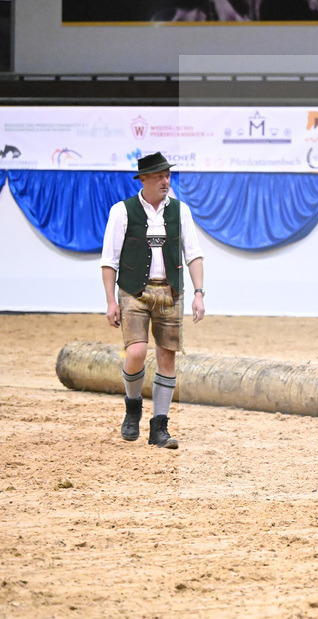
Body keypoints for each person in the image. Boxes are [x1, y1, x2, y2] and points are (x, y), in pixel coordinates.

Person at [100, 152, 206, 449]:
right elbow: (109, 261)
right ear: (143, 179)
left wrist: (199, 293)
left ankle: (159, 426)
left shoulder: (180, 211)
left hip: (171, 291)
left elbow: (193, 254)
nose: (165, 180)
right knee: (135, 352)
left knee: (167, 356)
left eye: (167, 175)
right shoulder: (122, 211)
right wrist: (110, 301)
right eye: (159, 176)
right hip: (134, 291)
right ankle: (133, 406)